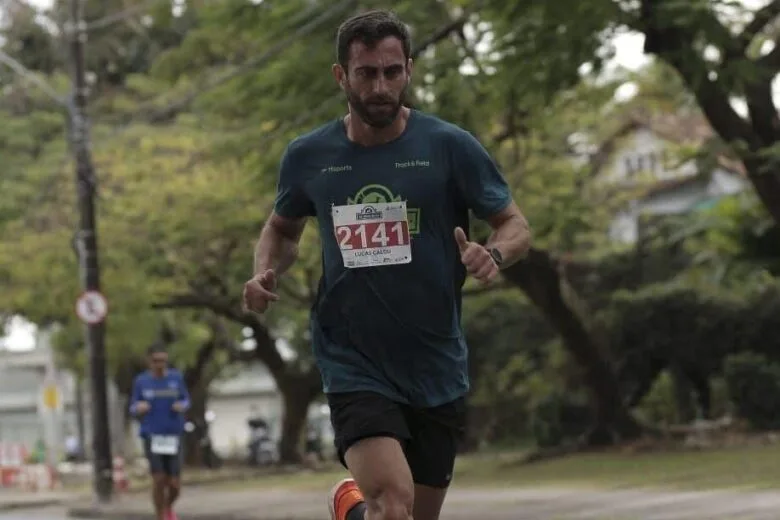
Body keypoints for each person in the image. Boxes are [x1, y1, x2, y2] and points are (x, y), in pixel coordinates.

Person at [242, 9, 531, 520]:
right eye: (366, 73)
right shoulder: (310, 156)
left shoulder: (447, 146)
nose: (381, 86)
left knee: (411, 515)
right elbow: (282, 228)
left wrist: (495, 253)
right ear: (341, 76)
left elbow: (515, 224)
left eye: (392, 72)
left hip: (435, 361)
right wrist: (266, 270)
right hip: (353, 358)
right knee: (393, 504)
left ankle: (351, 509)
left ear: (409, 70)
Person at [129, 345, 191, 520]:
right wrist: (139, 407)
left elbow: (186, 400)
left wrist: (182, 406)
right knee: (159, 479)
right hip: (152, 434)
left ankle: (166, 507)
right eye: (156, 361)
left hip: (173, 434)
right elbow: (132, 406)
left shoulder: (176, 378)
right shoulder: (141, 381)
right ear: (149, 362)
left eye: (163, 361)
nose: (160, 365)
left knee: (174, 483)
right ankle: (160, 516)